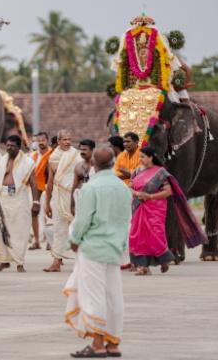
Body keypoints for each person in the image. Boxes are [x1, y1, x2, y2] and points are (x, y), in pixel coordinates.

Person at [64, 145, 131, 358]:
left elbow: (83, 220)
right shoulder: (123, 188)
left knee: (92, 295)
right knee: (113, 295)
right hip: (114, 249)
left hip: (93, 248)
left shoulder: (91, 188)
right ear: (113, 163)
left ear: (93, 163)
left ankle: (98, 344)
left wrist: (74, 240)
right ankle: (113, 343)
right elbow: (125, 219)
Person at [128, 146, 206, 275]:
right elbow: (129, 186)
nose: (140, 159)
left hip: (155, 208)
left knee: (155, 235)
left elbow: (168, 191)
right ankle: (143, 267)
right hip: (138, 207)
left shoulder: (160, 173)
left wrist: (150, 196)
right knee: (137, 236)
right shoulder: (137, 171)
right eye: (139, 157)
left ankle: (164, 260)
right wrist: (136, 193)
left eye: (142, 157)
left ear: (151, 157)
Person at [0, 135, 35, 273]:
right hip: (2, 198)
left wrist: (36, 202)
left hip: (19, 198)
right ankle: (4, 261)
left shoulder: (27, 163)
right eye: (7, 145)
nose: (9, 148)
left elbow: (33, 184)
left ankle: (19, 263)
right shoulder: (2, 161)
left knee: (19, 232)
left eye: (12, 146)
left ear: (19, 146)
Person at [44, 130, 81, 272]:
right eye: (64, 139)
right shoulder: (53, 157)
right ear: (58, 141)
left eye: (69, 139)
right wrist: (47, 203)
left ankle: (82, 260)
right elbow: (51, 180)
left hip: (75, 197)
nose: (67, 142)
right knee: (58, 229)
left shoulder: (76, 155)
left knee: (78, 228)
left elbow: (82, 175)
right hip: (59, 197)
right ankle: (56, 262)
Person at [30, 132, 52, 250]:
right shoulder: (33, 155)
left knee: (48, 214)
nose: (41, 143)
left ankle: (50, 241)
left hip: (48, 188)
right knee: (34, 213)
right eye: (38, 141)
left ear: (47, 140)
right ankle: (36, 240)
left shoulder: (52, 154)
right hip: (35, 189)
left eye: (43, 140)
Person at [70, 139, 96, 215]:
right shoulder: (78, 166)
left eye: (85, 150)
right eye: (81, 150)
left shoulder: (99, 165)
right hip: (81, 200)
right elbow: (74, 187)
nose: (82, 152)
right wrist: (72, 206)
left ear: (92, 150)